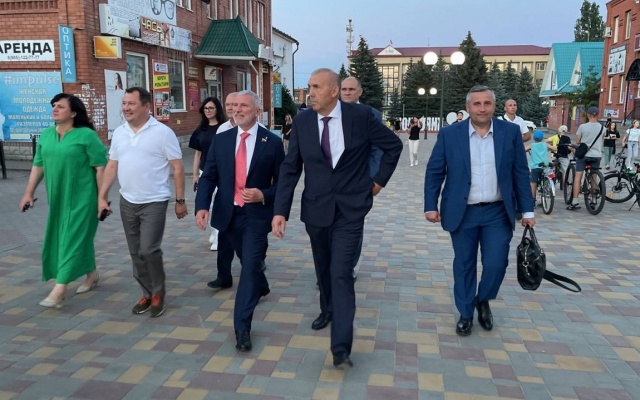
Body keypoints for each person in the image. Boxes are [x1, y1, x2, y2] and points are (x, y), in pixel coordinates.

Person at [272, 68, 403, 368]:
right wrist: (280, 210)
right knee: (323, 267)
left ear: (334, 91)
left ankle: (341, 346)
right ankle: (327, 309)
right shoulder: (303, 121)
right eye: (309, 87)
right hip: (316, 208)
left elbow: (393, 146)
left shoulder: (361, 117)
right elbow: (291, 168)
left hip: (351, 208)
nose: (310, 93)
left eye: (316, 87)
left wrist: (378, 182)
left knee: (341, 271)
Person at [424, 85, 534, 337]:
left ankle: (482, 299)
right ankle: (465, 313)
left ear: (494, 106)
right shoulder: (450, 134)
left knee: (496, 263)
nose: (482, 108)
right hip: (463, 212)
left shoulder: (510, 132)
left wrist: (528, 210)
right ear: (468, 107)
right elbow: (435, 171)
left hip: (498, 212)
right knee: (464, 264)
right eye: (477, 104)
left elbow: (520, 172)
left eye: (487, 103)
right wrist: (430, 205)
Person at [195, 90, 284, 352]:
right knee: (248, 262)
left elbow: (283, 183)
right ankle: (262, 285)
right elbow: (209, 176)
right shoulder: (222, 139)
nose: (238, 110)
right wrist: (202, 206)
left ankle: (242, 328)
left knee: (249, 268)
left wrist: (263, 194)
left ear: (257, 111)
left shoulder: (272, 142)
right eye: (235, 106)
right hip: (228, 214)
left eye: (244, 106)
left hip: (255, 216)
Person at [98, 87, 187, 318]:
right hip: (127, 200)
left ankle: (158, 292)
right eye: (124, 103)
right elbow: (112, 166)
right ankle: (147, 293)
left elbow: (178, 168)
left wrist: (180, 200)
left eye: (131, 103)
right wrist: (102, 197)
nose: (126, 108)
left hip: (154, 201)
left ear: (146, 106)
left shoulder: (163, 133)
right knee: (135, 251)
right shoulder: (120, 133)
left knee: (149, 249)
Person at [19, 93, 107, 308]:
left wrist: (102, 199)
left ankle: (59, 289)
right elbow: (38, 166)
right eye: (54, 106)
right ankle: (92, 274)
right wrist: (28, 193)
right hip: (57, 198)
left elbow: (100, 168)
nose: (55, 109)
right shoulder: (46, 135)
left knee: (71, 239)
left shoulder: (86, 135)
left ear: (73, 113)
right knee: (71, 237)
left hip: (84, 198)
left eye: (60, 106)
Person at [339, 75, 384, 280]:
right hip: (331, 182)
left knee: (354, 224)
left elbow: (378, 149)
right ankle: (329, 267)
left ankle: (348, 266)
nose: (347, 93)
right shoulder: (328, 113)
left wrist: (373, 179)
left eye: (351, 89)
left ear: (360, 92)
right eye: (344, 89)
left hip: (359, 182)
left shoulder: (372, 115)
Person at [189, 97, 227, 250]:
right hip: (205, 172)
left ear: (218, 109)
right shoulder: (201, 130)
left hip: (222, 172)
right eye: (205, 108)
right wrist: (195, 176)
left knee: (219, 204)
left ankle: (219, 237)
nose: (208, 111)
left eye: (211, 108)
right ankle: (215, 230)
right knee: (207, 204)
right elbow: (197, 154)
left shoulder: (225, 128)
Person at [567, 106, 604, 211]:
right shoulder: (603, 128)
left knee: (578, 177)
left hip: (584, 155)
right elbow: (602, 140)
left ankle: (575, 201)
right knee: (594, 177)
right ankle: (594, 200)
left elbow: (578, 141)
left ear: (588, 115)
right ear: (597, 115)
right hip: (596, 155)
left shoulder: (582, 127)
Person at [526, 130, 556, 206]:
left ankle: (533, 200)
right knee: (546, 178)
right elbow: (554, 148)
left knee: (534, 183)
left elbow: (524, 149)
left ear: (534, 138)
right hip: (544, 166)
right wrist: (551, 148)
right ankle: (545, 191)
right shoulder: (545, 144)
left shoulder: (532, 145)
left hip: (535, 167)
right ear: (542, 138)